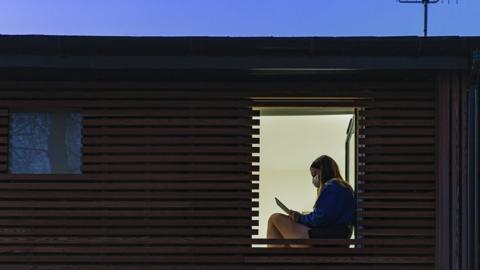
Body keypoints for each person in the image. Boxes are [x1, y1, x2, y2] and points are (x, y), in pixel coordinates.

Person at [266, 155, 355, 248]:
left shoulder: (332, 186)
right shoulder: (343, 187)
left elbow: (321, 218)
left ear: (323, 170)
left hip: (326, 236)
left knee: (274, 218)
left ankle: (274, 260)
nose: (314, 179)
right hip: (337, 236)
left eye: (315, 174)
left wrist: (300, 218)